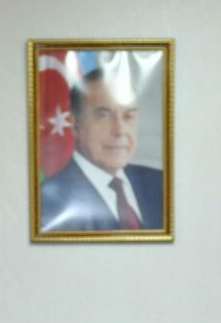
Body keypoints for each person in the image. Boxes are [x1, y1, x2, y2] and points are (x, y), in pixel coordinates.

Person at [39, 67, 165, 232]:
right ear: (75, 124)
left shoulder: (160, 183)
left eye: (128, 116)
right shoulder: (46, 201)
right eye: (103, 116)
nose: (120, 131)